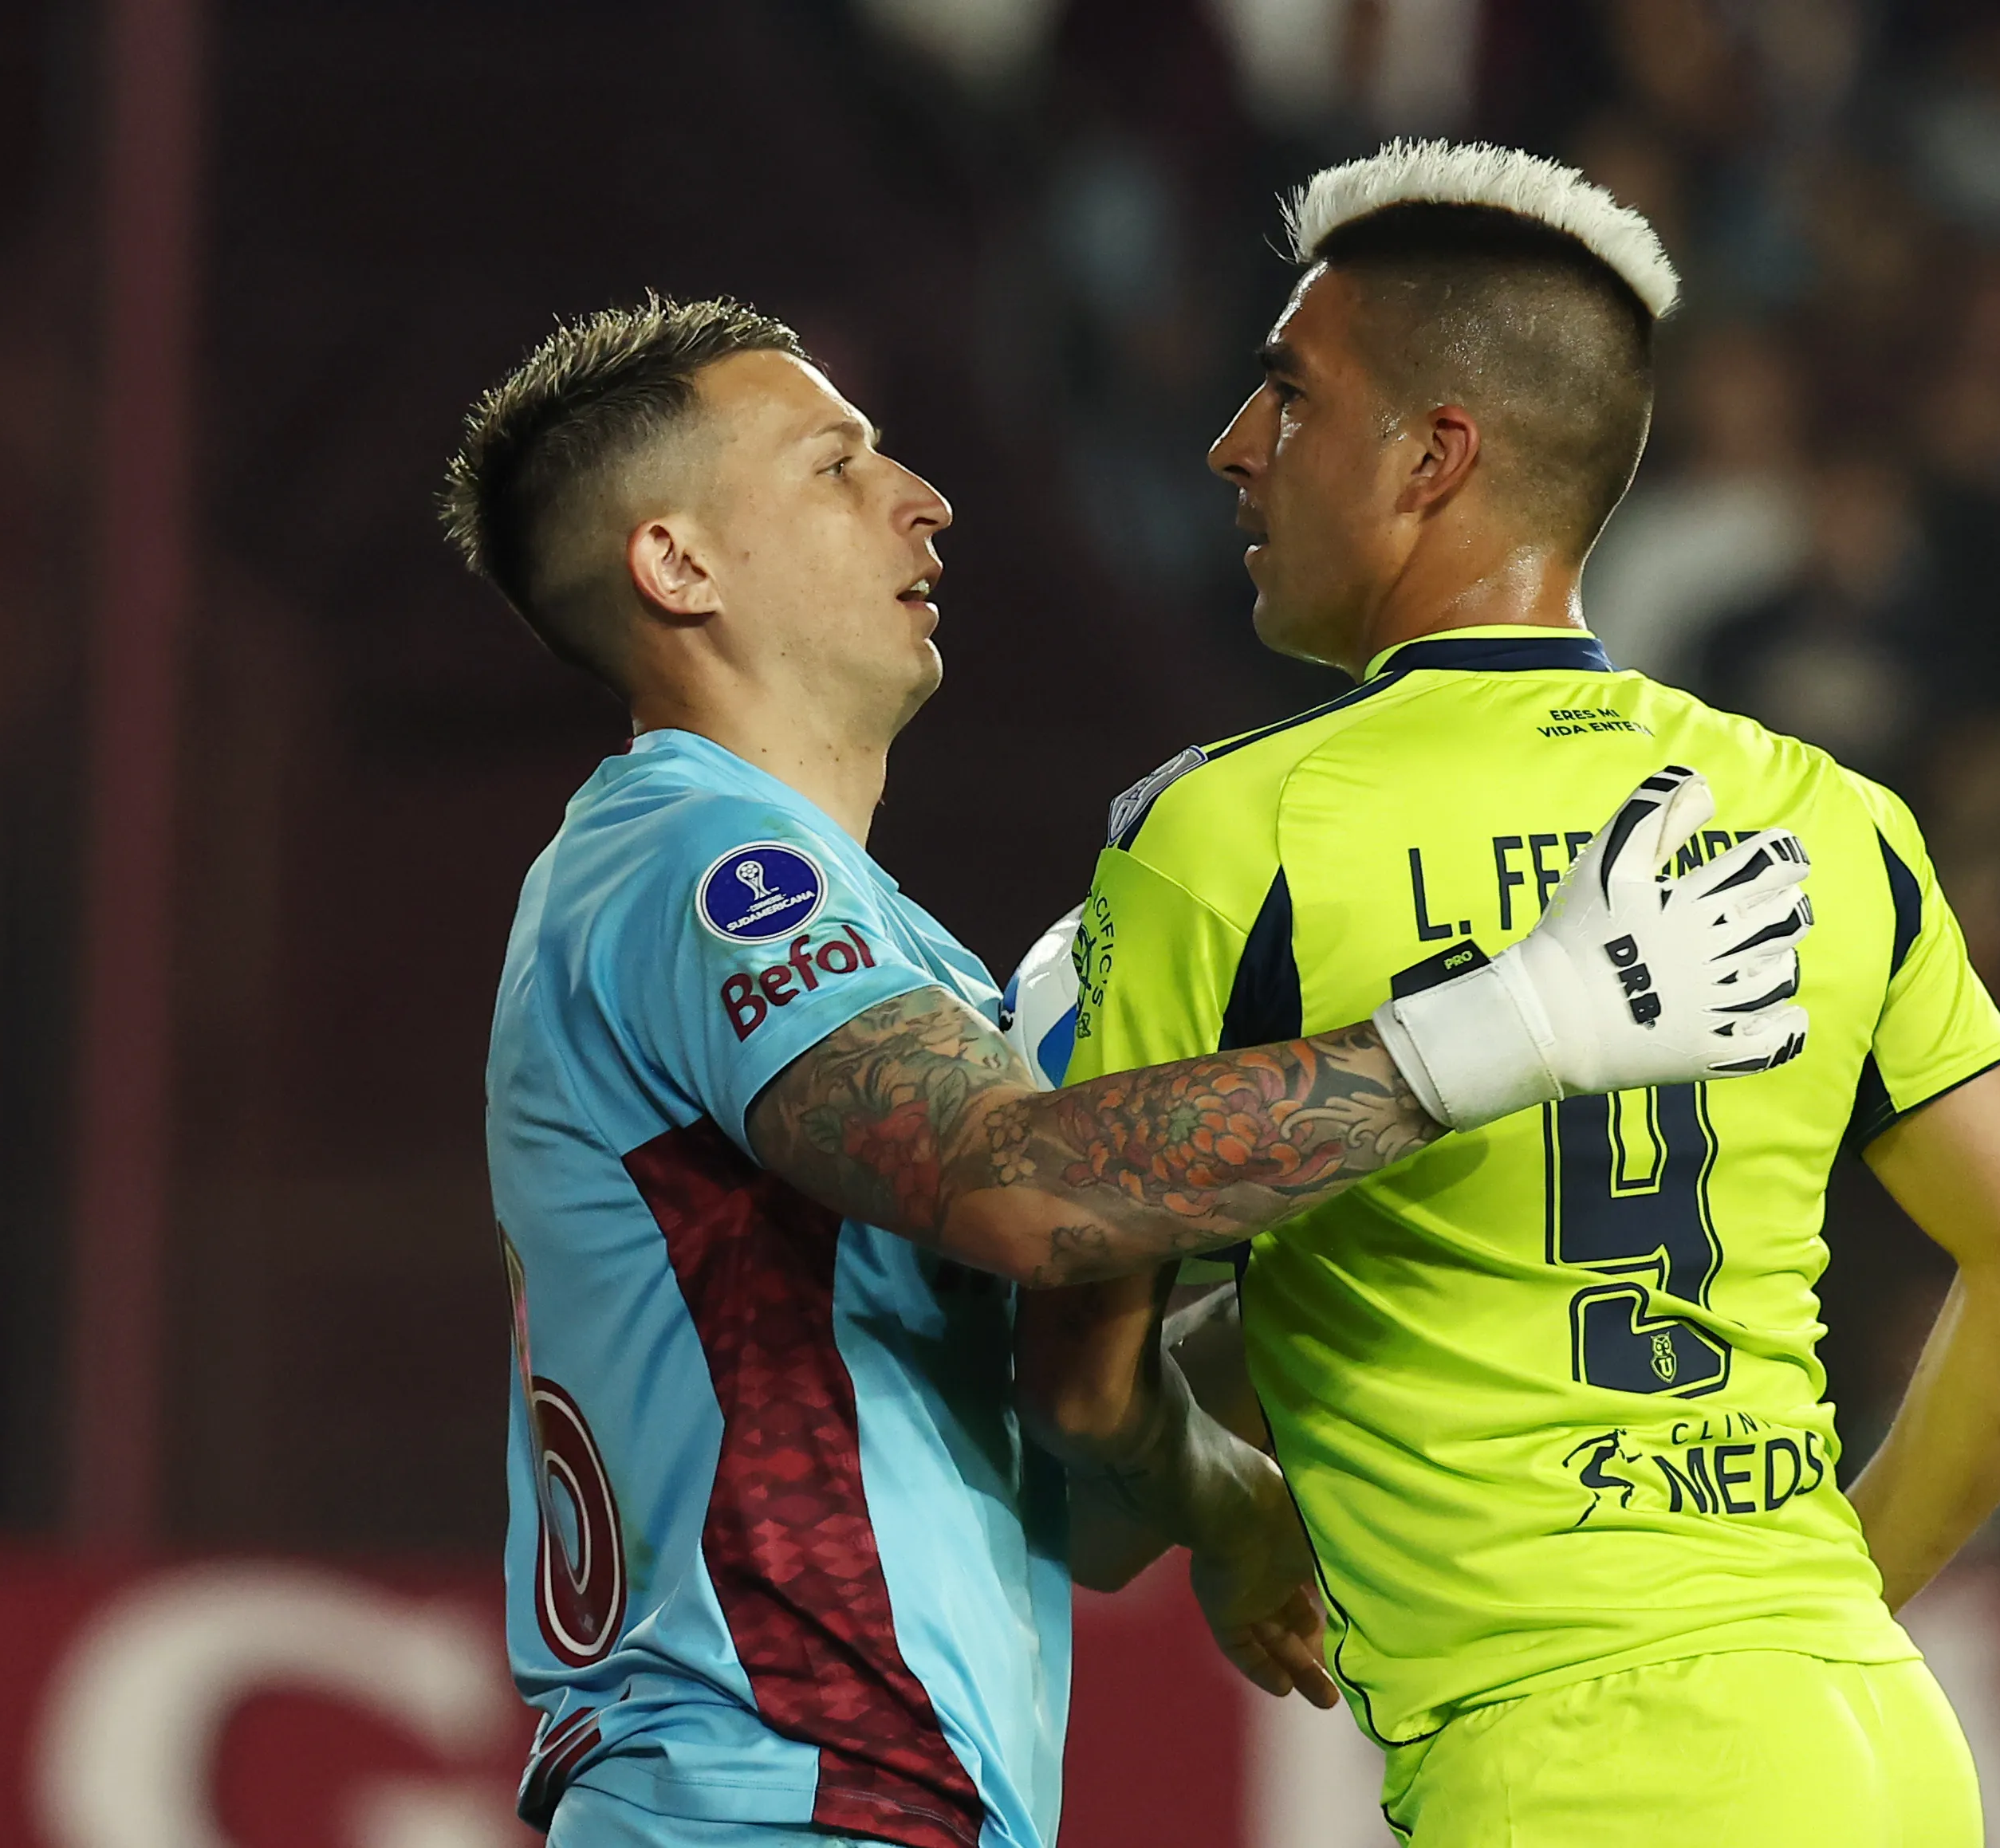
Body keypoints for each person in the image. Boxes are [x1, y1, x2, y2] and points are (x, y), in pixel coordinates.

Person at [436, 294, 1818, 1848]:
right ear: (677, 564)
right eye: (834, 465)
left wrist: (1252, 1433)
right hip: (775, 1795)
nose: (922, 497)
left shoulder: (882, 955)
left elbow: (1059, 1468)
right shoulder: (703, 859)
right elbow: (1023, 1189)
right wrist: (1524, 1022)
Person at [1027, 142, 2000, 1848]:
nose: (1232, 448)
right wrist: (1815, 1610)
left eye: (1288, 396)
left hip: (1564, 1774)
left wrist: (1221, 1503)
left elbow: (1085, 1393)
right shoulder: (1818, 813)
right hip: (1869, 1746)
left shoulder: (1227, 833)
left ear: (1433, 456)